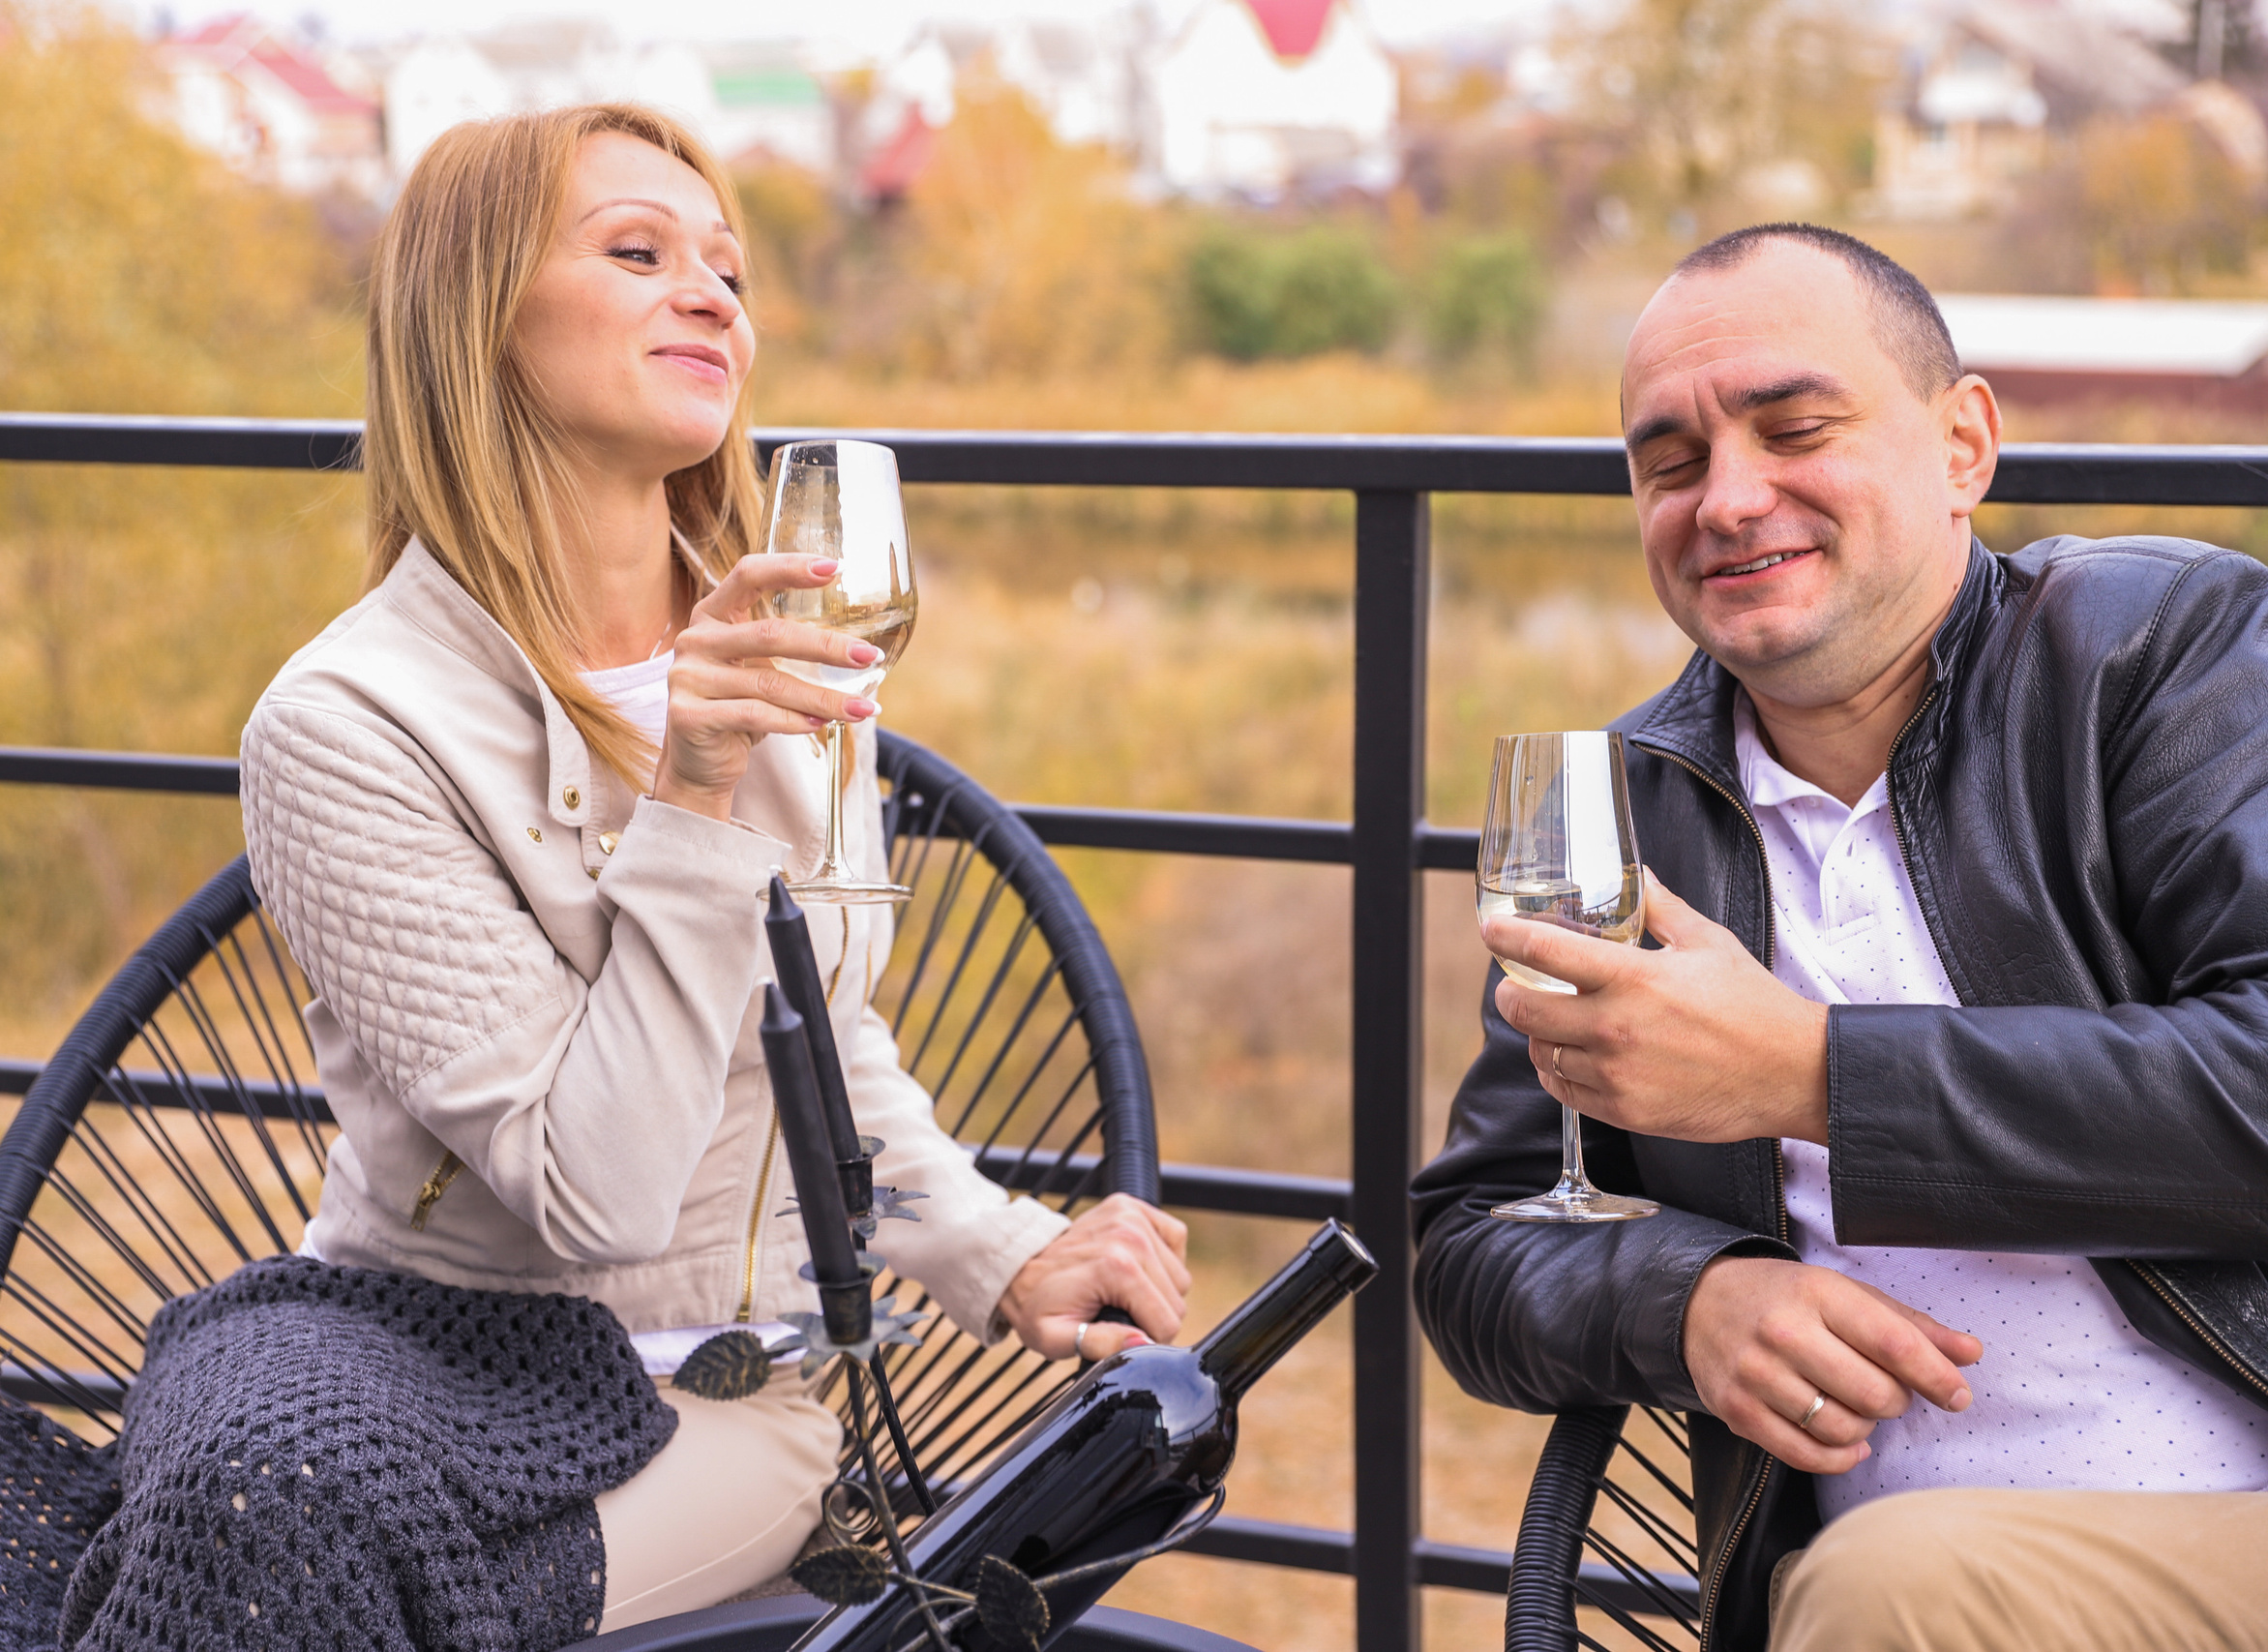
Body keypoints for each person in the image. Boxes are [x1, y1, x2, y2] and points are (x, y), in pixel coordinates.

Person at [238, 104, 1189, 1633]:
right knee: (269, 1537)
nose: (711, 299)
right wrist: (689, 795)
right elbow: (594, 1194)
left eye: (729, 273)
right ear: (474, 318)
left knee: (346, 1598)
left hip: (712, 1404)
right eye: (638, 253)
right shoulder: (345, 725)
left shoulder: (786, 653)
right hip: (414, 1365)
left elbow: (817, 1046)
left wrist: (1001, 1253)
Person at [1412, 223, 2268, 1652]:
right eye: (1670, 463)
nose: (1729, 499)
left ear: (1963, 445)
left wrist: (1809, 1074)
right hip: (1860, 1589)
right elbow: (1473, 1243)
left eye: (1796, 430)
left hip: (2225, 1527)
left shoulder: (2165, 651)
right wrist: (1689, 1299)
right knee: (1887, 1587)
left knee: (1901, 1586)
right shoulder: (1625, 807)